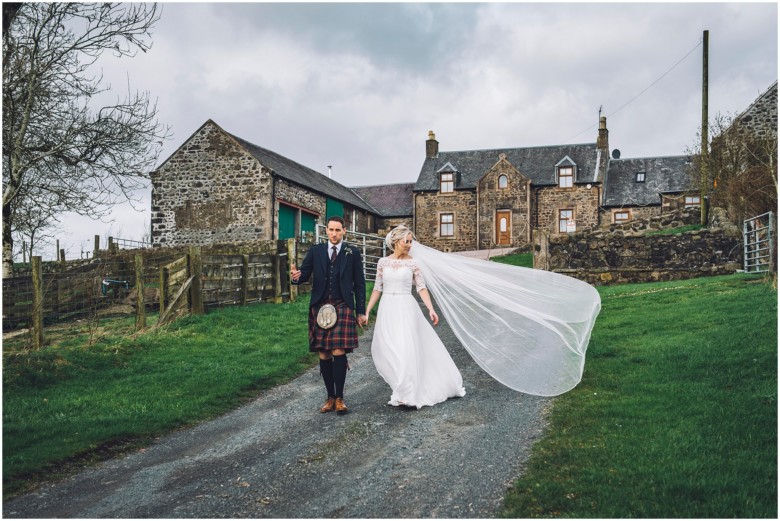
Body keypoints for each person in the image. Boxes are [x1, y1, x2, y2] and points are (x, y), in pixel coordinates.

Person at [365, 225, 466, 409]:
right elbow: (377, 288)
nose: (410, 245)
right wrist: (367, 310)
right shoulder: (383, 263)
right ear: (396, 242)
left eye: (411, 241)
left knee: (405, 347)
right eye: (407, 241)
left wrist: (431, 309)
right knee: (389, 348)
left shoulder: (413, 263)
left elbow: (421, 287)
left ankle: (407, 394)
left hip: (406, 307)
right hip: (387, 309)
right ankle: (400, 387)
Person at [290, 216, 367, 415]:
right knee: (324, 352)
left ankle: (340, 398)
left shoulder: (352, 253)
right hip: (320, 307)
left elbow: (359, 284)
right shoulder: (315, 252)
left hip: (342, 305)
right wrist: (296, 278)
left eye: (338, 230)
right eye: (331, 230)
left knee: (339, 350)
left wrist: (360, 311)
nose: (334, 233)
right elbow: (304, 275)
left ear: (344, 232)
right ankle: (330, 397)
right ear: (326, 230)